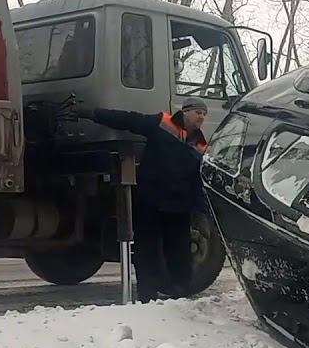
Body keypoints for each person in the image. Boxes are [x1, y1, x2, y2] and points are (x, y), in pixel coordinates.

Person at [71, 97, 210, 301]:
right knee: (146, 250)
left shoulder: (201, 145)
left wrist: (200, 212)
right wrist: (92, 113)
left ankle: (181, 293)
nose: (202, 117)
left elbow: (199, 180)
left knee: (180, 252)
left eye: (204, 114)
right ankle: (147, 295)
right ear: (186, 112)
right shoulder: (163, 123)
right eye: (198, 112)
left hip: (179, 207)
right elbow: (128, 120)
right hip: (150, 201)